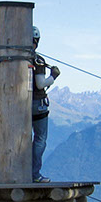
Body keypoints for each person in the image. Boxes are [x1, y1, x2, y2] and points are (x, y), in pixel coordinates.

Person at [30, 26, 59, 183]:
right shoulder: (38, 60)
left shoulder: (17, 59)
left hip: (19, 104)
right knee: (40, 139)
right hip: (38, 104)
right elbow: (40, 84)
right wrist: (53, 77)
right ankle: (35, 173)